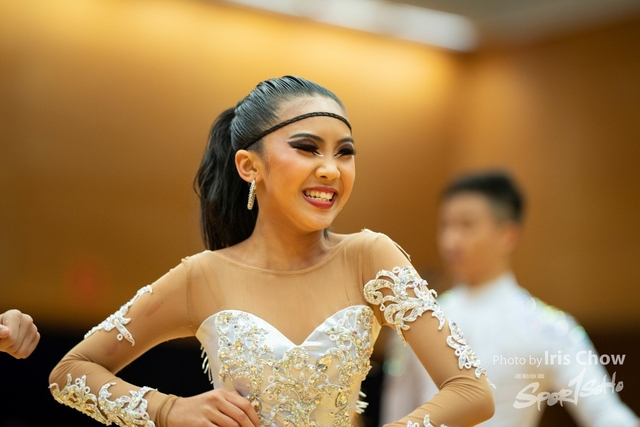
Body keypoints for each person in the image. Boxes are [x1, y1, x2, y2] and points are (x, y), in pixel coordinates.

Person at [48, 76, 494, 427]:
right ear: (249, 166)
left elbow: (472, 392)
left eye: (344, 153)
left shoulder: (370, 257)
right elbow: (70, 372)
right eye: (307, 148)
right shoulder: (202, 276)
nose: (330, 169)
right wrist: (169, 410)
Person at [379, 171, 639, 427]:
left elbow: (604, 414)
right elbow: (395, 414)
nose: (451, 240)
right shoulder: (419, 318)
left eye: (466, 225)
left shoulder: (547, 327)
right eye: (446, 225)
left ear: (508, 235)